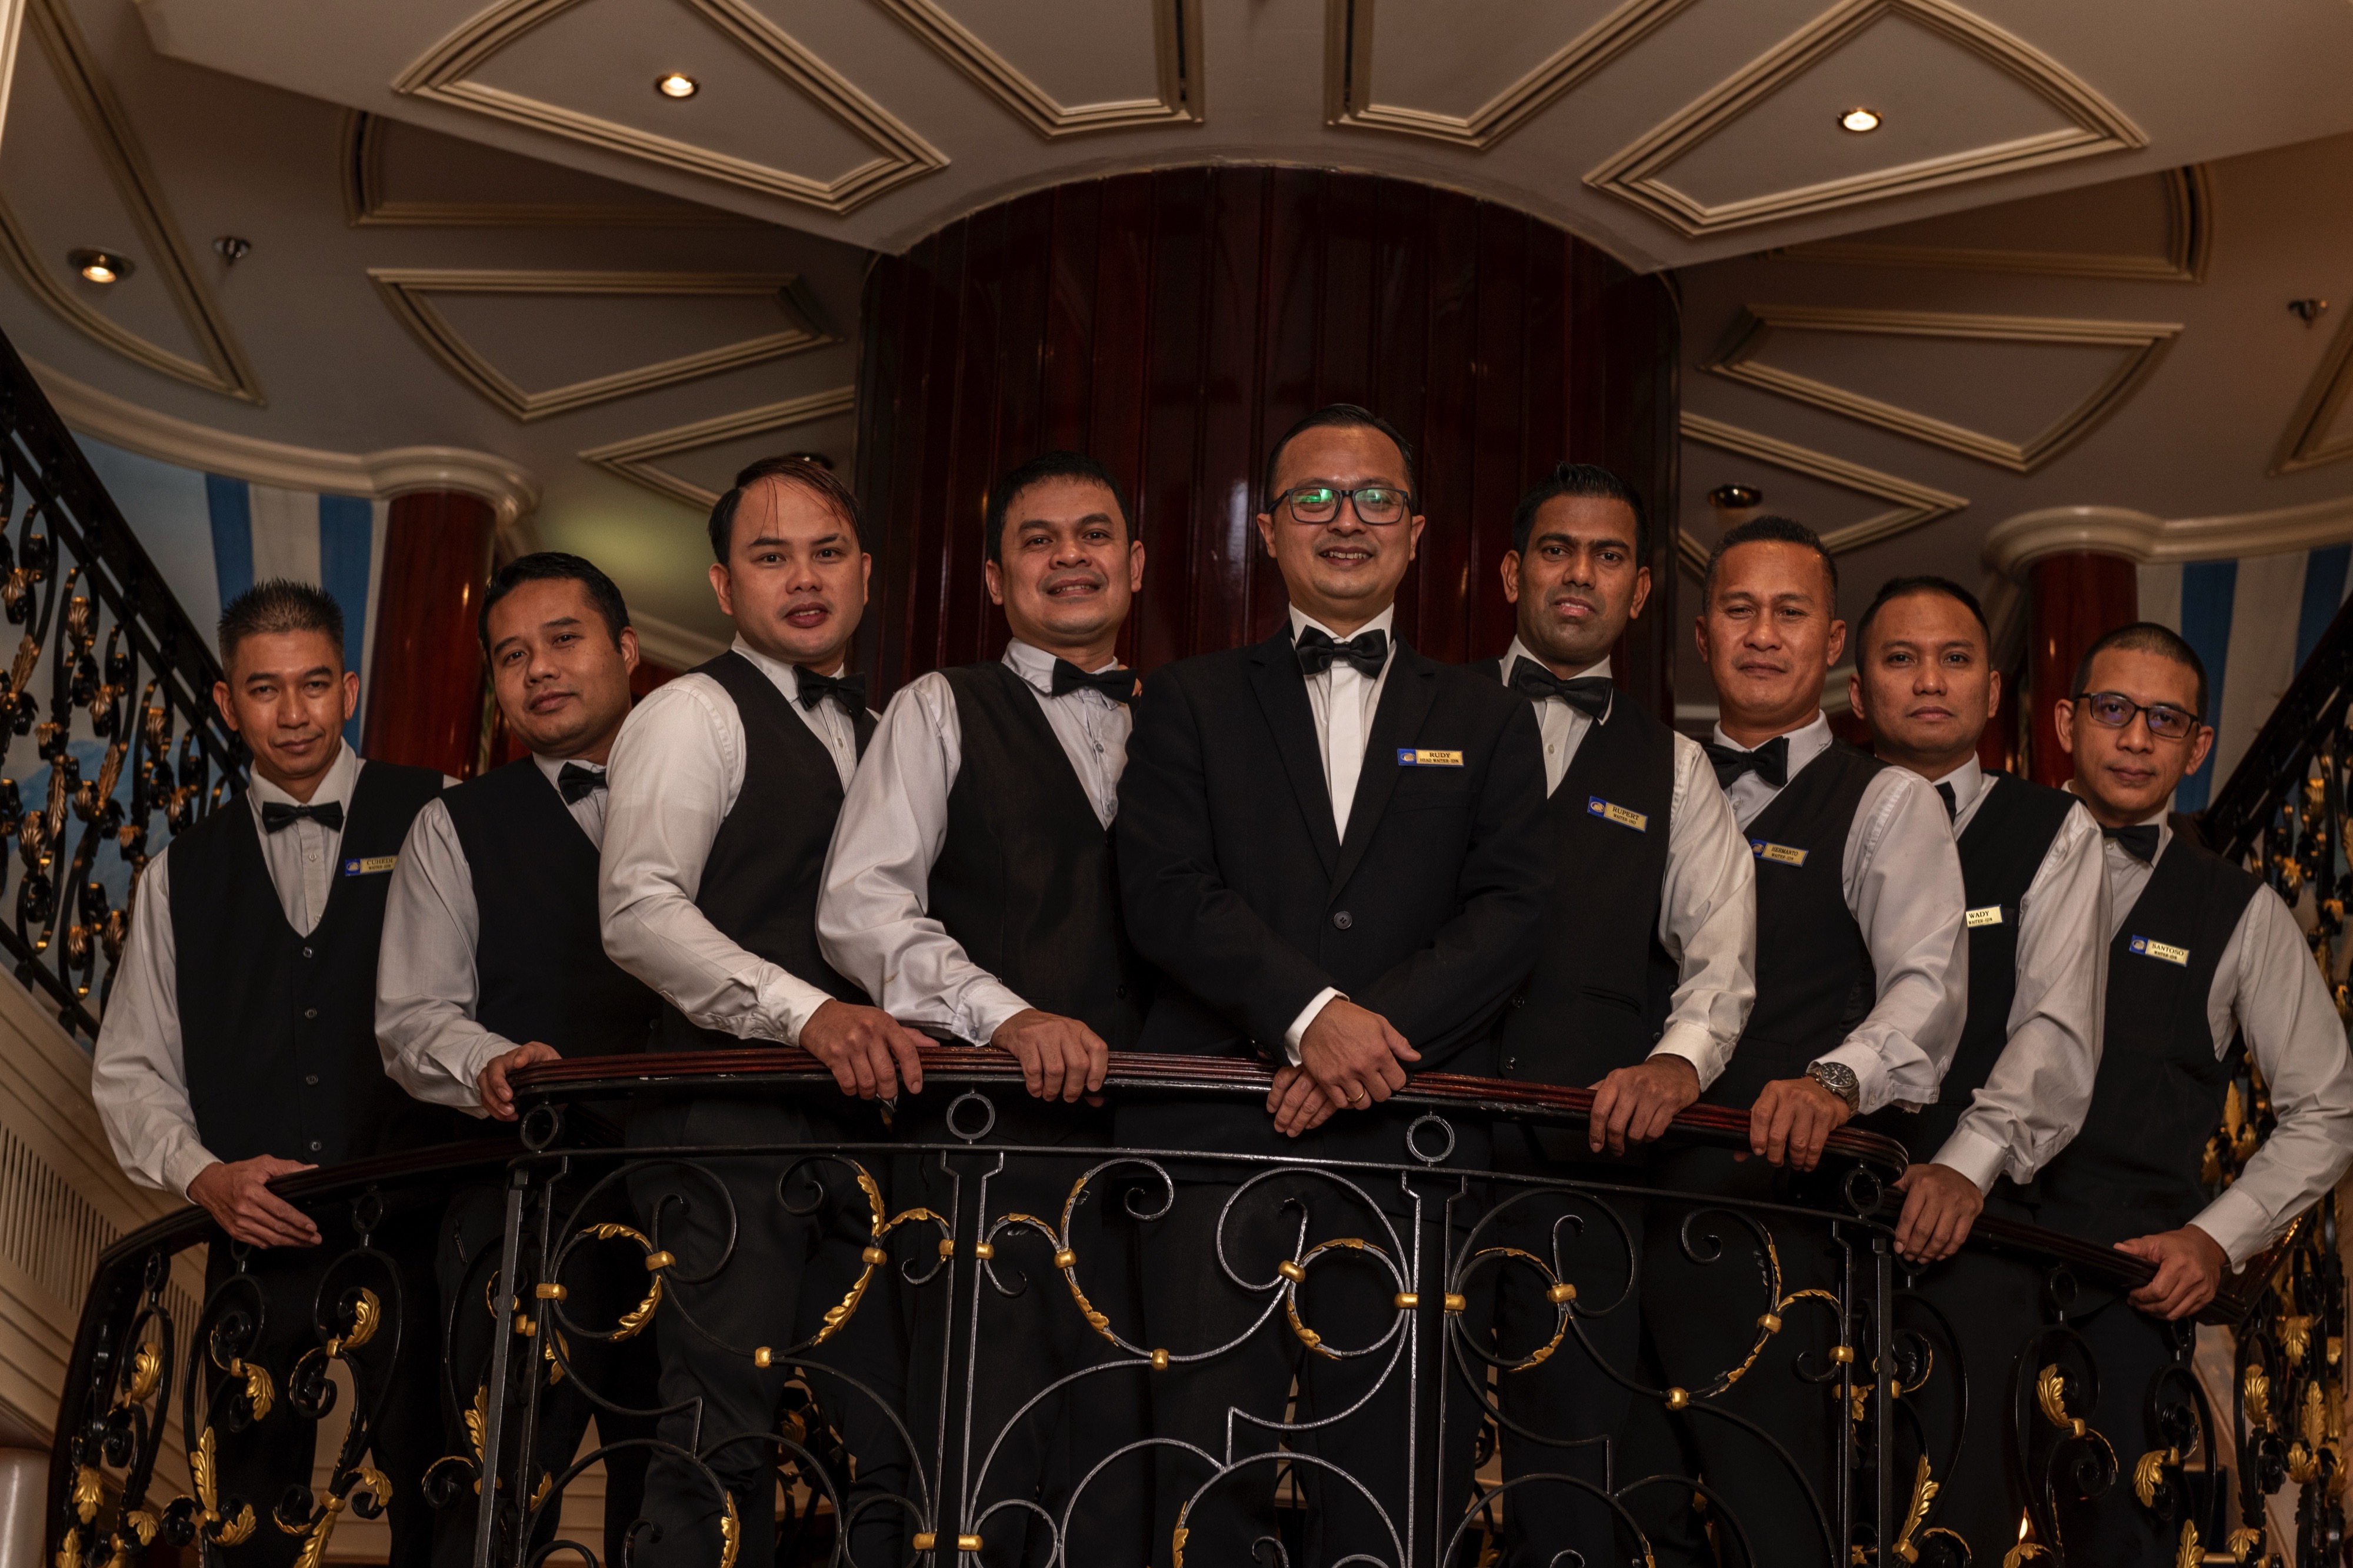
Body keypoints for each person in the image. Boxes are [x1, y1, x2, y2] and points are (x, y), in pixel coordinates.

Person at [1115, 403, 1550, 1566]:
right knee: (1202, 1470)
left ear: (1416, 534)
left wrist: (1368, 1038)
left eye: (1372, 499)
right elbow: (1163, 892)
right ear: (1266, 531)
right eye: (1313, 498)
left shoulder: (1489, 716)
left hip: (1410, 1143)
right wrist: (1309, 1020)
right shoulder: (1187, 698)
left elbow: (1511, 910)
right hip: (1215, 1131)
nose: (1343, 520)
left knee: (1399, 1474)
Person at [816, 449, 1151, 1565]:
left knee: (1126, 1459)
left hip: (1149, 1155)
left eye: (1094, 534)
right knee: (976, 1460)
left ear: (1136, 564)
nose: (1071, 556)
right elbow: (862, 906)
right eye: (1039, 540)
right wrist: (1005, 1017)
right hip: (982, 1146)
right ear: (999, 579)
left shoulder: (1187, 724)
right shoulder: (938, 704)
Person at [597, 458, 926, 1568]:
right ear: (722, 584)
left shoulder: (890, 729)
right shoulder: (692, 711)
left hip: (866, 1140)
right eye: (769, 555)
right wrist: (809, 1016)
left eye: (827, 552)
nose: (803, 578)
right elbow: (639, 912)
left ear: (867, 573)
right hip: (723, 1130)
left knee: (888, 1453)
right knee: (714, 1447)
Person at [91, 579, 453, 1568]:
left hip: (418, 1230)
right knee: (244, 1510)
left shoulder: (442, 814)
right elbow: (131, 1070)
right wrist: (204, 1176)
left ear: (350, 688)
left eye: (312, 687)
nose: (292, 715)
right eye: (264, 689)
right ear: (226, 702)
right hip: (254, 1242)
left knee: (442, 1488)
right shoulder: (178, 875)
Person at [1644, 517, 1968, 1564]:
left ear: (1832, 644)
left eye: (1791, 613)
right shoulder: (1653, 779)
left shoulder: (1886, 800)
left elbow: (1928, 987)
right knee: (1627, 1510)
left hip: (1783, 1220)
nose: (1764, 634)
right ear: (1703, 635)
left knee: (1775, 1517)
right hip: (1627, 1206)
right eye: (1741, 610)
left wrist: (1834, 1079)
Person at [1475, 463, 1755, 1564]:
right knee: (1395, 1442)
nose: (1578, 573)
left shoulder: (1676, 766)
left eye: (1606, 556)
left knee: (1570, 1474)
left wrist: (1678, 1068)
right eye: (1556, 549)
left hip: (1584, 1166)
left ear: (1641, 591)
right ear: (1512, 571)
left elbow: (1723, 955)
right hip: (1415, 1140)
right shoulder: (1422, 711)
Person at [2034, 622, 2353, 1565]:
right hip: (1965, 1262)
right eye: (2114, 710)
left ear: (2197, 746)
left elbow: (2330, 1103)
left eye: (2164, 720)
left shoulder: (2238, 910)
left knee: (2120, 1546)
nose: (2136, 737)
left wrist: (2218, 1236)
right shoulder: (1979, 856)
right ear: (2067, 720)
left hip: (2132, 1291)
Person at [375, 552, 663, 1566]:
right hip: (528, 1200)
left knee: (678, 1487)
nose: (538, 669)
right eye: (511, 655)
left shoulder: (727, 795)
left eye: (564, 639)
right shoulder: (455, 825)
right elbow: (411, 1014)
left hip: (703, 1192)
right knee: (492, 1491)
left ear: (627, 650)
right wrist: (492, 1058)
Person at [1844, 574, 2107, 1556]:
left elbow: (2057, 1026)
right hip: (1814, 1209)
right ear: (1860, 687)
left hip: (1981, 1221)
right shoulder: (1822, 808)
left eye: (1955, 658)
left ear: (1993, 691)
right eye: (1900, 658)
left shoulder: (2053, 829)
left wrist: (1968, 1159)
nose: (1929, 681)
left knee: (1962, 1512)